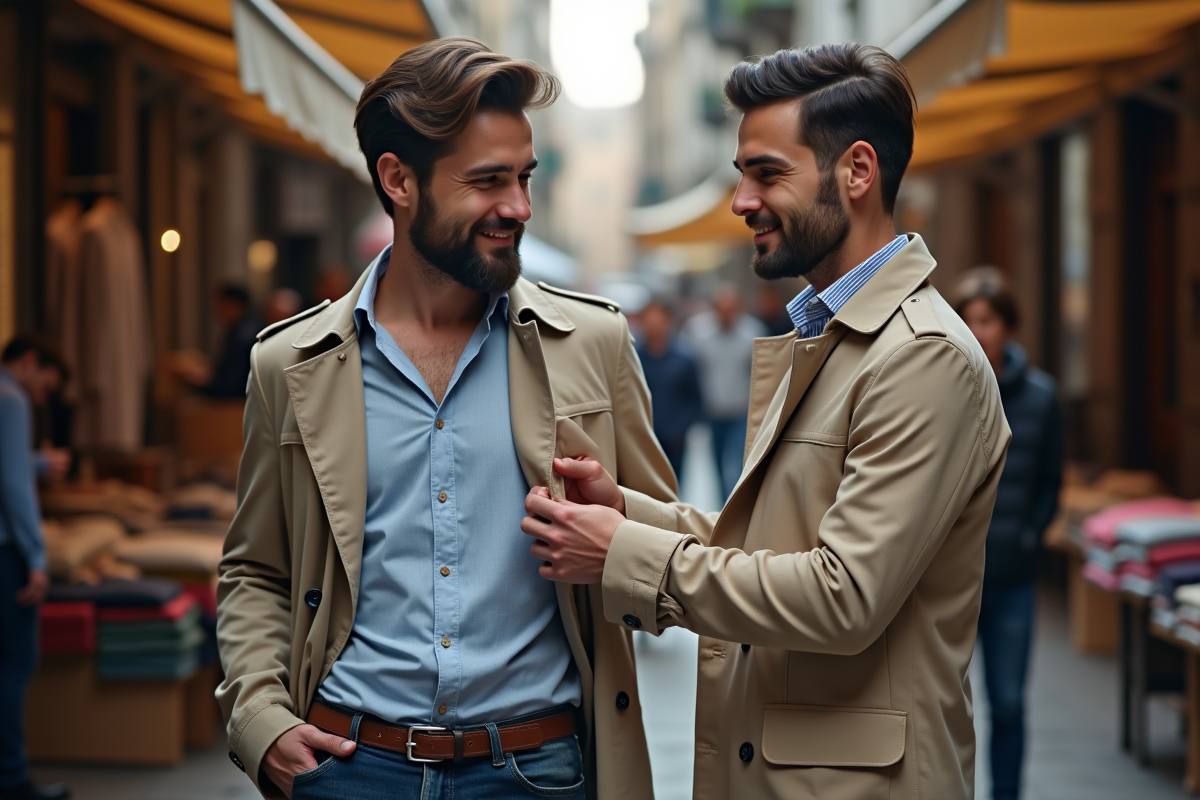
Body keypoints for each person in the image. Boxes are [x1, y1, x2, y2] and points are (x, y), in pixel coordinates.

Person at [520, 43, 1010, 800]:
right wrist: (627, 512)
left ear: (856, 172)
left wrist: (627, 554)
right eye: (742, 174)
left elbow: (842, 594)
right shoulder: (835, 333)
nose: (742, 200)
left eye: (767, 173)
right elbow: (770, 544)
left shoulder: (923, 356)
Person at [216, 38, 678, 800]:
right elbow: (257, 569)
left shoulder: (590, 344)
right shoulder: (288, 365)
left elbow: (667, 562)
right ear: (399, 181)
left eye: (524, 179)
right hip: (347, 766)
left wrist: (620, 528)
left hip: (535, 771)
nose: (519, 208)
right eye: (488, 181)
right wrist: (259, 721)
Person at [954, 268, 1062, 800]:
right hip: (951, 578)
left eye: (987, 319)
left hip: (1012, 578)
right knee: (941, 699)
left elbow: (1050, 482)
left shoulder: (1042, 398)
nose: (977, 329)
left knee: (1010, 703)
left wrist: (1029, 534)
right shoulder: (944, 391)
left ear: (1008, 327)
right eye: (968, 319)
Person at [0, 336, 70, 800]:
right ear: (29, 362)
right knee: (14, 663)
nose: (41, 398)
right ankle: (12, 779)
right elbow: (13, 484)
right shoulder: (10, 396)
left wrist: (39, 462)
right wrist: (37, 556)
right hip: (5, 551)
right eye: (45, 386)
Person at [682, 285, 766, 499]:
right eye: (721, 308)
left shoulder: (754, 333)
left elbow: (763, 372)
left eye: (731, 308)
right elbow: (689, 370)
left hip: (741, 409)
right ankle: (723, 502)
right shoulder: (698, 332)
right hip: (712, 410)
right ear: (714, 309)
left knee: (738, 460)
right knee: (717, 461)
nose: (726, 313)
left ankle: (734, 502)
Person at [635, 297, 703, 478]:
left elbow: (695, 399)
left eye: (658, 319)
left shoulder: (684, 358)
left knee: (674, 488)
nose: (653, 325)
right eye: (649, 320)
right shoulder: (632, 357)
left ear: (668, 321)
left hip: (674, 441)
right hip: (641, 438)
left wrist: (680, 430)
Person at [171, 285, 261, 399]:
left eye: (220, 304)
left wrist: (196, 380)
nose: (216, 309)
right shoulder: (244, 329)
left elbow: (230, 386)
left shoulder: (243, 336)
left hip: (238, 405)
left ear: (234, 305)